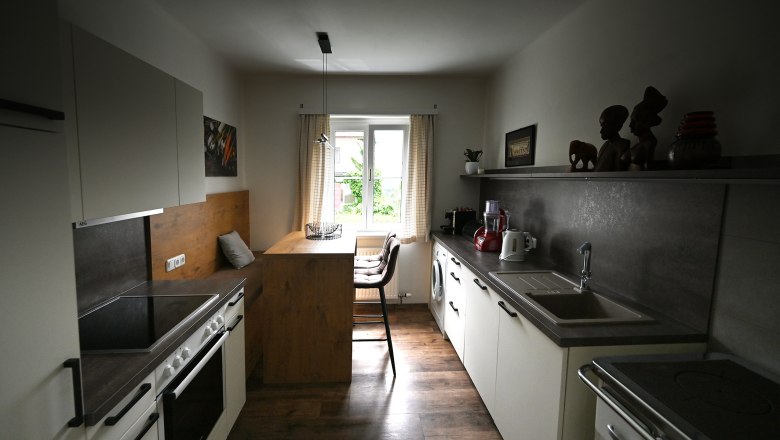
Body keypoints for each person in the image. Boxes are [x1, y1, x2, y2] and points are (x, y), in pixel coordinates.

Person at [628, 86, 668, 171]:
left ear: (645, 122)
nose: (630, 125)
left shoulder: (649, 143)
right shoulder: (639, 144)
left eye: (635, 121)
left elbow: (648, 167)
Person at [594, 105, 630, 171]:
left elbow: (618, 172)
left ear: (617, 125)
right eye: (601, 125)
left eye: (606, 125)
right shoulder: (605, 145)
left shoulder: (621, 145)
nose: (601, 131)